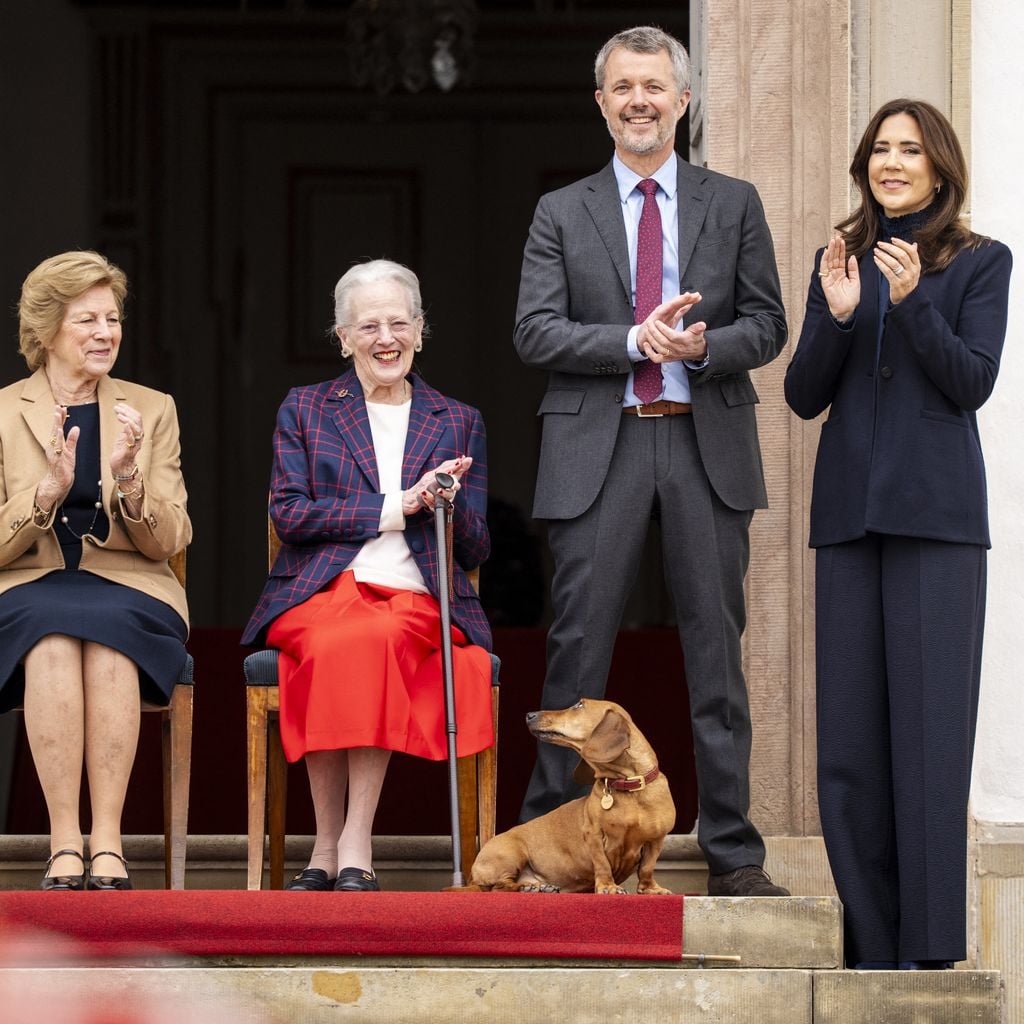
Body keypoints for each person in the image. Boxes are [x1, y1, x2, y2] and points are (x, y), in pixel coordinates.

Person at [513, 25, 789, 897]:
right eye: (623, 86)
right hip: (605, 443)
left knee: (716, 656)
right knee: (576, 657)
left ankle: (735, 857)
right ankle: (549, 860)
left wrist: (705, 346)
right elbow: (534, 330)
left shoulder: (733, 201)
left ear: (684, 99)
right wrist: (634, 338)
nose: (640, 100)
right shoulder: (562, 209)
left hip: (703, 437)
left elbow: (769, 324)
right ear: (601, 102)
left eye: (655, 86)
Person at [784, 99, 1012, 969]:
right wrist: (840, 314)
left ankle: (929, 950)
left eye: (910, 149)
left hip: (937, 523)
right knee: (847, 743)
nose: (893, 162)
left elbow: (972, 384)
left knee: (929, 734)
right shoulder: (838, 258)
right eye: (881, 149)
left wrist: (915, 303)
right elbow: (806, 395)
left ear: (940, 166)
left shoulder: (981, 260)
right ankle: (870, 945)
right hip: (848, 519)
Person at [242, 259, 494, 892]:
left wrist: (446, 504)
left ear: (420, 329)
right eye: (370, 326)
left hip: (414, 595)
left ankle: (352, 836)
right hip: (322, 589)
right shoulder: (307, 409)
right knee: (335, 640)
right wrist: (397, 506)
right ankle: (332, 843)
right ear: (343, 336)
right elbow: (290, 514)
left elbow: (477, 546)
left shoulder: (456, 419)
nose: (387, 338)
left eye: (399, 323)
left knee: (368, 640)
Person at [0, 251, 192, 891]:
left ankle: (106, 841)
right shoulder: (4, 411)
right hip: (28, 583)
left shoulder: (150, 408)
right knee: (51, 638)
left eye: (112, 318)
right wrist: (46, 494)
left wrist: (132, 478)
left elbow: (171, 537)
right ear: (47, 328)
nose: (105, 333)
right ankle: (63, 841)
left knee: (109, 640)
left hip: (131, 582)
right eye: (87, 320)